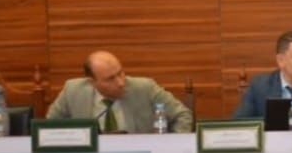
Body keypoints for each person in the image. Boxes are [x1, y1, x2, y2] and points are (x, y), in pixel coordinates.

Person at [47, 50, 193, 133]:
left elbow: (182, 115)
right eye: (110, 79)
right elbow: (48, 127)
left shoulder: (145, 88)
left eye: (120, 73)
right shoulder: (73, 91)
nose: (120, 82)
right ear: (92, 82)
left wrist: (169, 148)